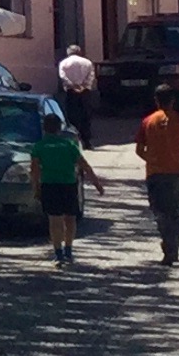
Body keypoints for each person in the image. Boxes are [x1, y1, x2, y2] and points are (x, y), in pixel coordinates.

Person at [136, 79, 179, 265]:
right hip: (176, 173)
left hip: (155, 174)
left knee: (160, 212)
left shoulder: (147, 121)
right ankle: (174, 246)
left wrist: (153, 160)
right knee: (175, 211)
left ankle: (167, 245)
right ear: (173, 101)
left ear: (156, 100)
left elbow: (139, 150)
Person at [31, 113, 106, 266]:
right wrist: (97, 184)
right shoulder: (69, 145)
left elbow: (34, 171)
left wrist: (36, 189)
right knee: (70, 219)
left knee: (54, 220)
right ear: (60, 129)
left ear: (44, 129)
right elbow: (84, 165)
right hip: (68, 185)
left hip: (50, 185)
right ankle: (68, 250)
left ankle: (58, 253)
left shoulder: (38, 147)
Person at [56, 41, 97, 144]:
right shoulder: (87, 62)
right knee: (85, 115)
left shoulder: (64, 63)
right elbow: (91, 76)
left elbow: (63, 76)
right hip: (85, 92)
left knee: (72, 115)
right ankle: (86, 140)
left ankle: (74, 139)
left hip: (71, 92)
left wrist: (72, 85)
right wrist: (84, 86)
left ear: (68, 52)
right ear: (79, 52)